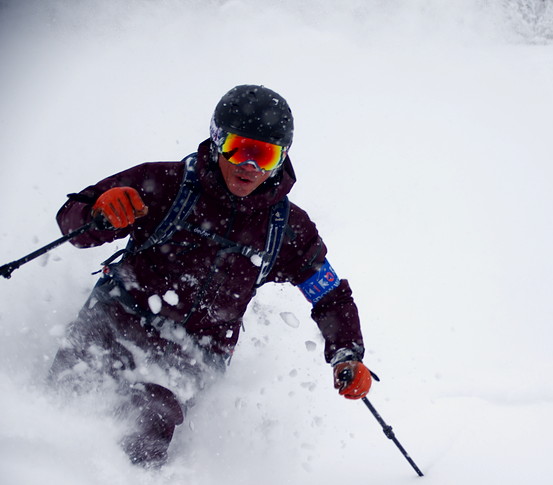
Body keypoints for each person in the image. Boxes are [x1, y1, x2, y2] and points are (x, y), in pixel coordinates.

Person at [48, 85, 373, 467]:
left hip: (194, 351)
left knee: (151, 418)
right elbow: (73, 219)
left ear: (281, 157)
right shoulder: (164, 184)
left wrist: (347, 353)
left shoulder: (286, 229)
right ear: (217, 140)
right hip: (113, 321)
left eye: (264, 154)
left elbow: (329, 294)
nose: (249, 165)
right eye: (240, 148)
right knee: (61, 405)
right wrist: (97, 214)